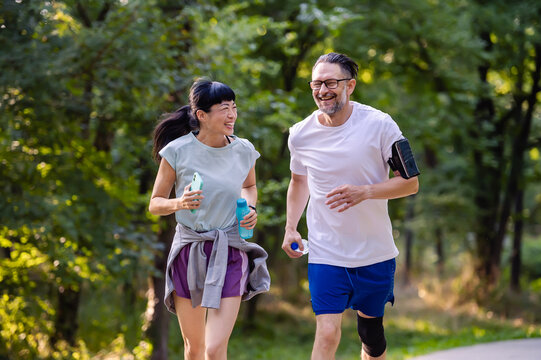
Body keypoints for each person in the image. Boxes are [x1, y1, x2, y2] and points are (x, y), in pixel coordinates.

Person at [282, 53, 420, 360]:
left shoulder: (381, 125)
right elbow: (298, 182)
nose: (323, 90)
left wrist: (366, 191)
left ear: (351, 85)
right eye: (316, 83)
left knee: (371, 337)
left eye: (331, 82)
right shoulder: (300, 134)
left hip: (374, 251)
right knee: (327, 332)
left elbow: (411, 183)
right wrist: (291, 226)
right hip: (326, 251)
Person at [149, 79, 270, 360]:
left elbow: (249, 186)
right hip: (189, 251)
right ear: (201, 115)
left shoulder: (244, 150)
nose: (232, 115)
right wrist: (180, 202)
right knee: (195, 349)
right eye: (224, 108)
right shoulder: (177, 151)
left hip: (229, 251)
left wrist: (250, 208)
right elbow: (155, 204)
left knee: (215, 348)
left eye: (234, 107)